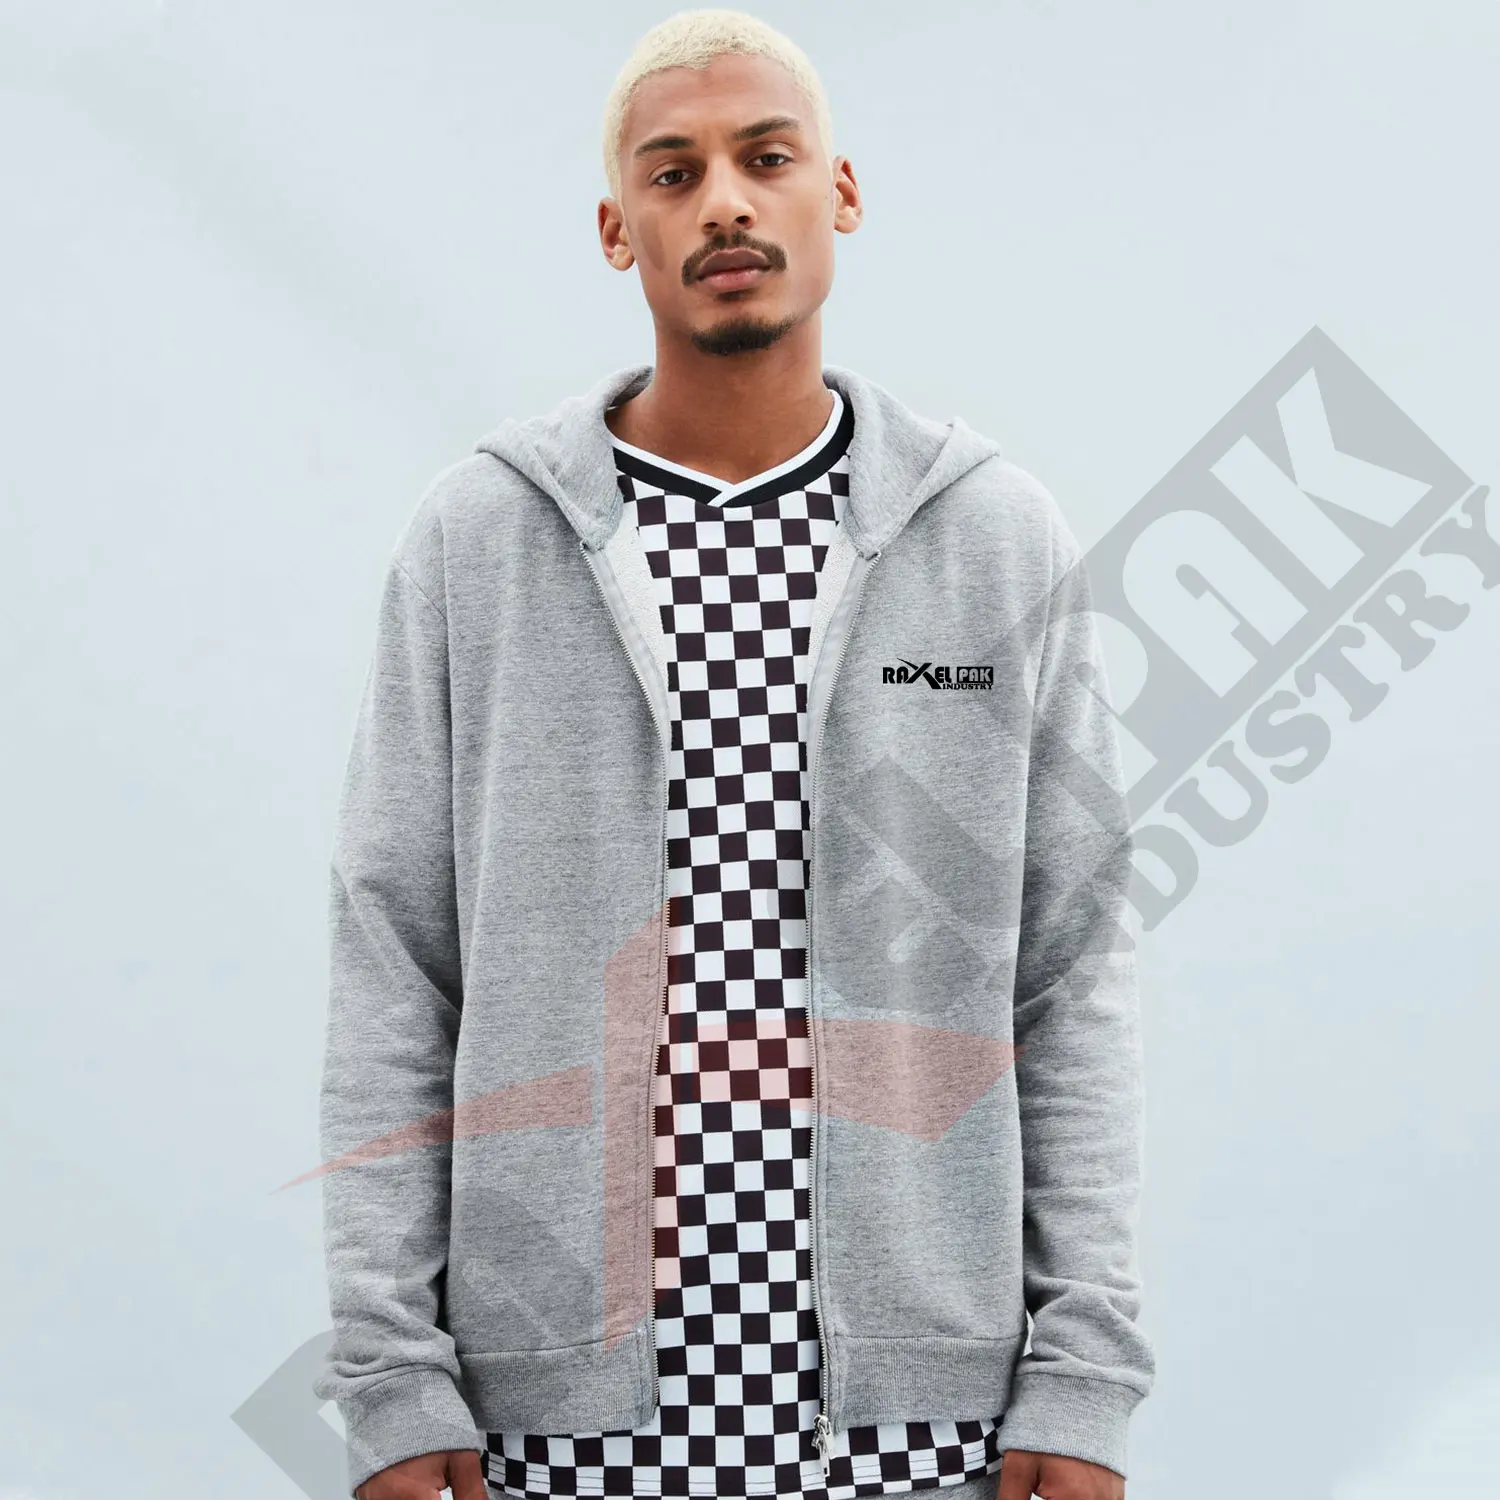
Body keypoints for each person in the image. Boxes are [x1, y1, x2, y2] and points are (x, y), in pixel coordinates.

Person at [314, 10, 1155, 1500]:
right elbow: (396, 955)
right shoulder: (478, 541)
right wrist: (392, 1374)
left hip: (924, 1429)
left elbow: (1072, 970)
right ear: (616, 228)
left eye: (767, 158)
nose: (723, 203)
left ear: (841, 191)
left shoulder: (993, 539)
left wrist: (1082, 1373)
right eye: (673, 171)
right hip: (550, 1428)